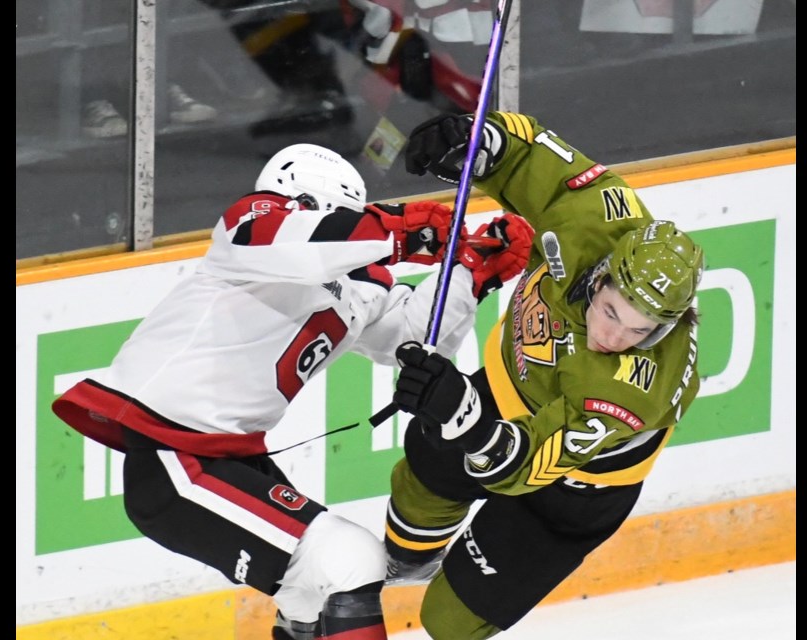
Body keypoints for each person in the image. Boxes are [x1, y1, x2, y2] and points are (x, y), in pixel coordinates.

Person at [51, 142, 534, 640]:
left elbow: (411, 336)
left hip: (228, 459)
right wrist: (398, 229)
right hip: (174, 459)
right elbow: (301, 244)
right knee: (348, 558)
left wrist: (469, 271)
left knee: (311, 591)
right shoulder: (250, 226)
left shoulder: (358, 286)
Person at [380, 111, 705, 639]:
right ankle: (408, 563)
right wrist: (474, 140)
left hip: (576, 489)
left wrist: (460, 414)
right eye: (612, 312)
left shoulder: (632, 388)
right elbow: (531, 153)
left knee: (449, 621)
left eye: (641, 331)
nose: (615, 337)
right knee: (424, 473)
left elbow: (526, 467)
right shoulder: (595, 216)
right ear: (602, 275)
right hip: (508, 391)